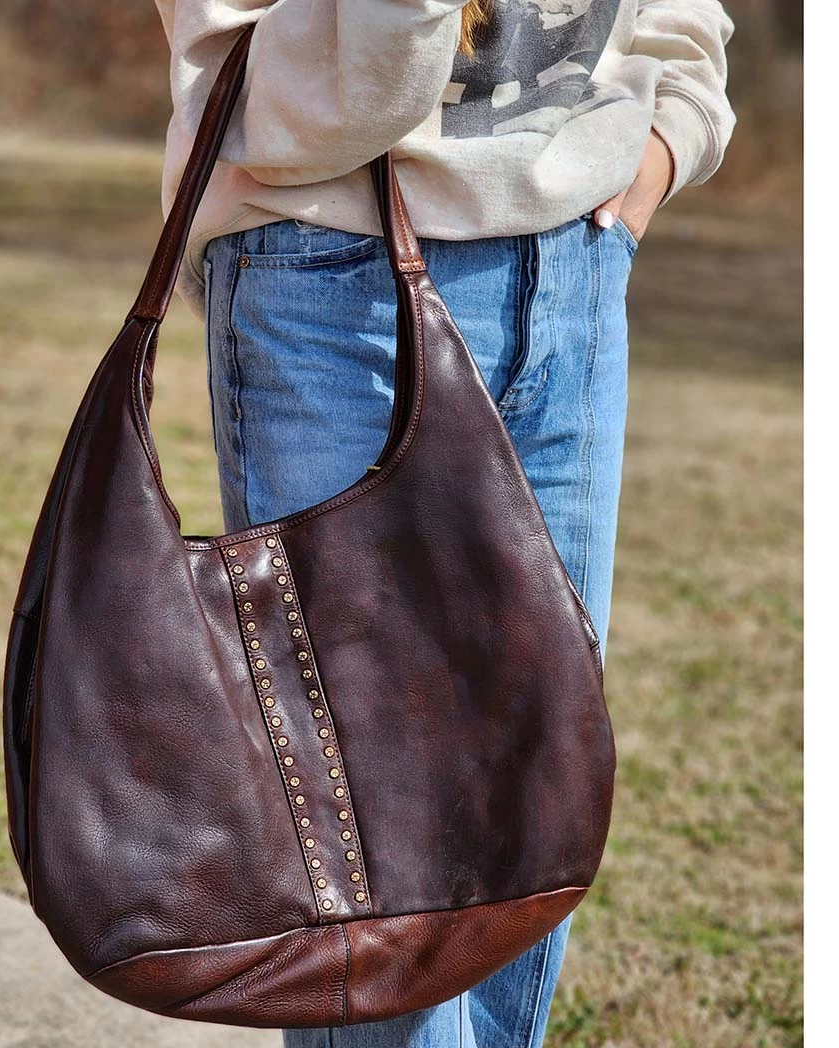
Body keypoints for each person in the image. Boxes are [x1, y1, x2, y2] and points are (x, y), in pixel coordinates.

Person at [152, 1, 735, 1045]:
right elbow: (293, 107)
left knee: (530, 799)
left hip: (574, 268)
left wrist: (661, 143)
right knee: (369, 847)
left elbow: (680, 20)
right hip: (331, 273)